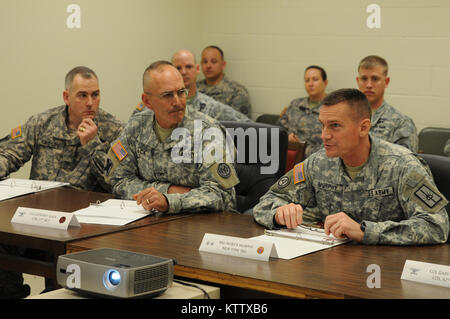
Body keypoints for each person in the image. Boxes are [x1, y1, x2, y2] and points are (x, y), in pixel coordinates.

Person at [253, 88, 449, 245]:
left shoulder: (402, 165)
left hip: (385, 271)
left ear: (364, 127)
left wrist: (366, 231)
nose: (324, 135)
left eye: (335, 126)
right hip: (330, 264)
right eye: (323, 125)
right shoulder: (318, 162)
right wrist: (279, 213)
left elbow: (437, 226)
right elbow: (267, 201)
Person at [0, 66, 124, 298]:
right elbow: (8, 153)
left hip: (82, 227)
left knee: (60, 280)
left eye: (95, 95)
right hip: (38, 219)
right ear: (67, 97)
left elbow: (118, 182)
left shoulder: (113, 129)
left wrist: (94, 145)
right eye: (83, 95)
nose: (90, 103)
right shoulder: (43, 123)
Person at [106, 61, 238, 214]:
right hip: (148, 219)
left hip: (201, 224)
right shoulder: (136, 126)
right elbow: (116, 179)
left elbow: (222, 194)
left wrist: (170, 201)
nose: (177, 102)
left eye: (181, 92)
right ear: (147, 101)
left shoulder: (207, 132)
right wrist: (167, 190)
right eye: (167, 95)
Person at [356, 55, 418, 152]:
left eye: (375, 79)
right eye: (364, 79)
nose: (368, 85)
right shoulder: (346, 118)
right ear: (358, 81)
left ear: (386, 82)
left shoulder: (401, 123)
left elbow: (407, 164)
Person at [172, 49, 251, 122]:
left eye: (189, 67)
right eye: (178, 68)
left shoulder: (210, 104)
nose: (183, 72)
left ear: (197, 69)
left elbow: (247, 127)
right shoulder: (166, 103)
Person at [279, 65, 328, 157]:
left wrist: (302, 148)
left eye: (315, 79)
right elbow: (280, 129)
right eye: (307, 80)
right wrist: (287, 138)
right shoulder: (295, 104)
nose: (310, 84)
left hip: (317, 159)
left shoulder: (331, 107)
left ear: (325, 82)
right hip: (288, 155)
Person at [197, 45, 252, 116]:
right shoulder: (194, 89)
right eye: (205, 62)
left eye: (213, 62)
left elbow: (241, 124)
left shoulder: (236, 91)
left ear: (223, 65)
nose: (208, 66)